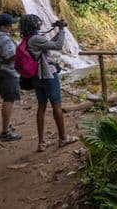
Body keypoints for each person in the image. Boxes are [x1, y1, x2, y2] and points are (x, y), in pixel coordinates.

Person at [19, 14, 77, 152]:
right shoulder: (36, 38)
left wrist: (57, 30)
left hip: (36, 77)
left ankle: (41, 142)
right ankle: (63, 138)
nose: (40, 24)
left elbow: (48, 44)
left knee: (41, 107)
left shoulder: (28, 39)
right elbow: (57, 46)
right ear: (34, 25)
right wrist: (62, 30)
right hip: (47, 75)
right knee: (56, 105)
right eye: (37, 22)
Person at [0, 13, 21, 142]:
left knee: (7, 98)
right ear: (4, 26)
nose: (11, 26)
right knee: (9, 99)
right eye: (9, 24)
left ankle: (7, 125)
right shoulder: (3, 38)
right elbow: (10, 56)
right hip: (7, 72)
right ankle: (5, 132)